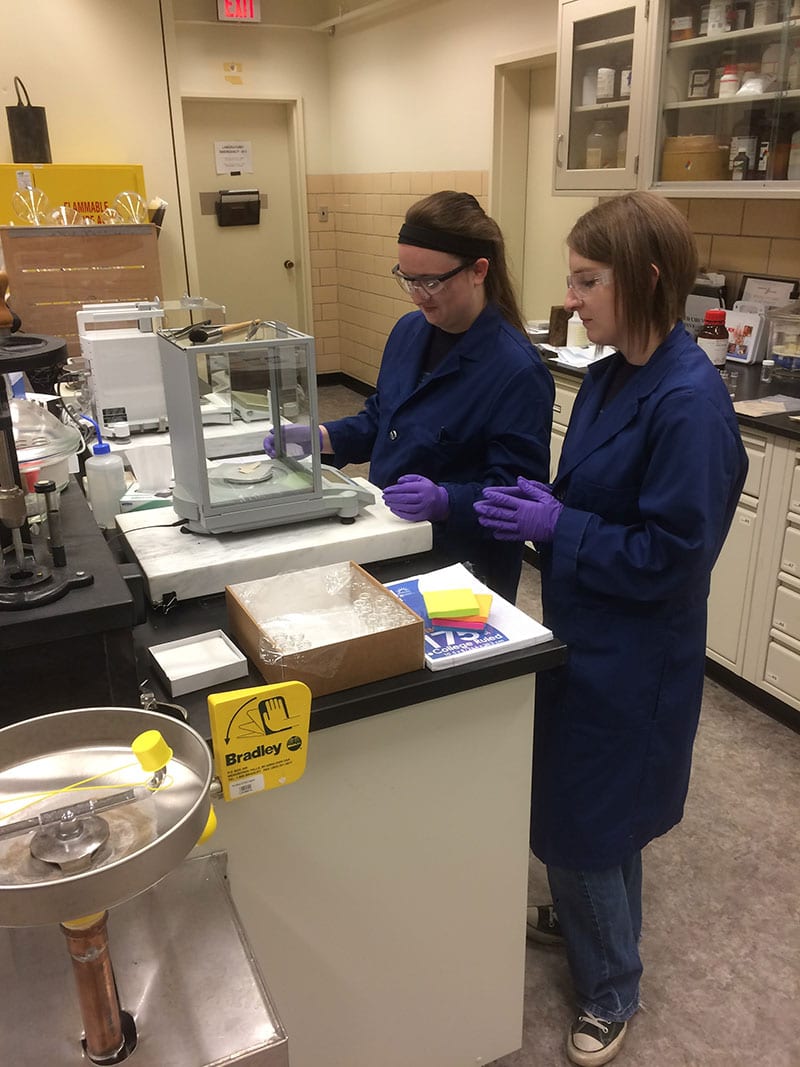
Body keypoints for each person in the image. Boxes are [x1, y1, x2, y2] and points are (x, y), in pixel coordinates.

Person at [474, 191, 747, 1066]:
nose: (573, 298)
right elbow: (601, 498)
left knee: (584, 818)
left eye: (589, 281)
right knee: (593, 809)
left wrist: (564, 529)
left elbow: (673, 556)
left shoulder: (689, 405)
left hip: (638, 652)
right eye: (573, 279)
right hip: (584, 626)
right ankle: (596, 923)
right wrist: (549, 506)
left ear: (646, 279)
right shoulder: (608, 375)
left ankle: (611, 987)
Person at [265, 190, 554, 602]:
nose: (418, 295)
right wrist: (321, 437)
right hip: (389, 540)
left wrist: (445, 501)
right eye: (407, 278)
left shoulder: (516, 371)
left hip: (464, 569)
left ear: (478, 270)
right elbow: (382, 420)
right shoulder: (408, 332)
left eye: (432, 281)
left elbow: (515, 494)